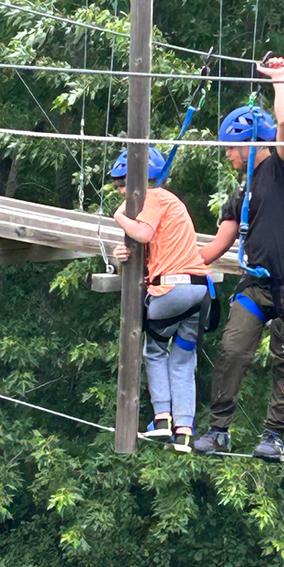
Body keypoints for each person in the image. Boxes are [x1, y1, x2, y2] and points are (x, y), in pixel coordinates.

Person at [194, 56, 284, 461]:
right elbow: (212, 249)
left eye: (231, 146)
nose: (228, 154)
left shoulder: (281, 169)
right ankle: (219, 430)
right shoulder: (241, 193)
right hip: (256, 285)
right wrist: (155, 257)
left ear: (250, 143)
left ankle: (273, 436)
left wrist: (279, 81)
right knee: (232, 349)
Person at [112, 147, 212, 454]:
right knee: (183, 360)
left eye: (121, 187)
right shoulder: (172, 203)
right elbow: (150, 248)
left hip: (172, 291)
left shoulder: (154, 197)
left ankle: (162, 418)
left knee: (154, 350)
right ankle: (184, 432)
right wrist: (121, 257)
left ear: (137, 183)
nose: (121, 194)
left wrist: (118, 217)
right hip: (199, 292)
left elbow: (142, 234)